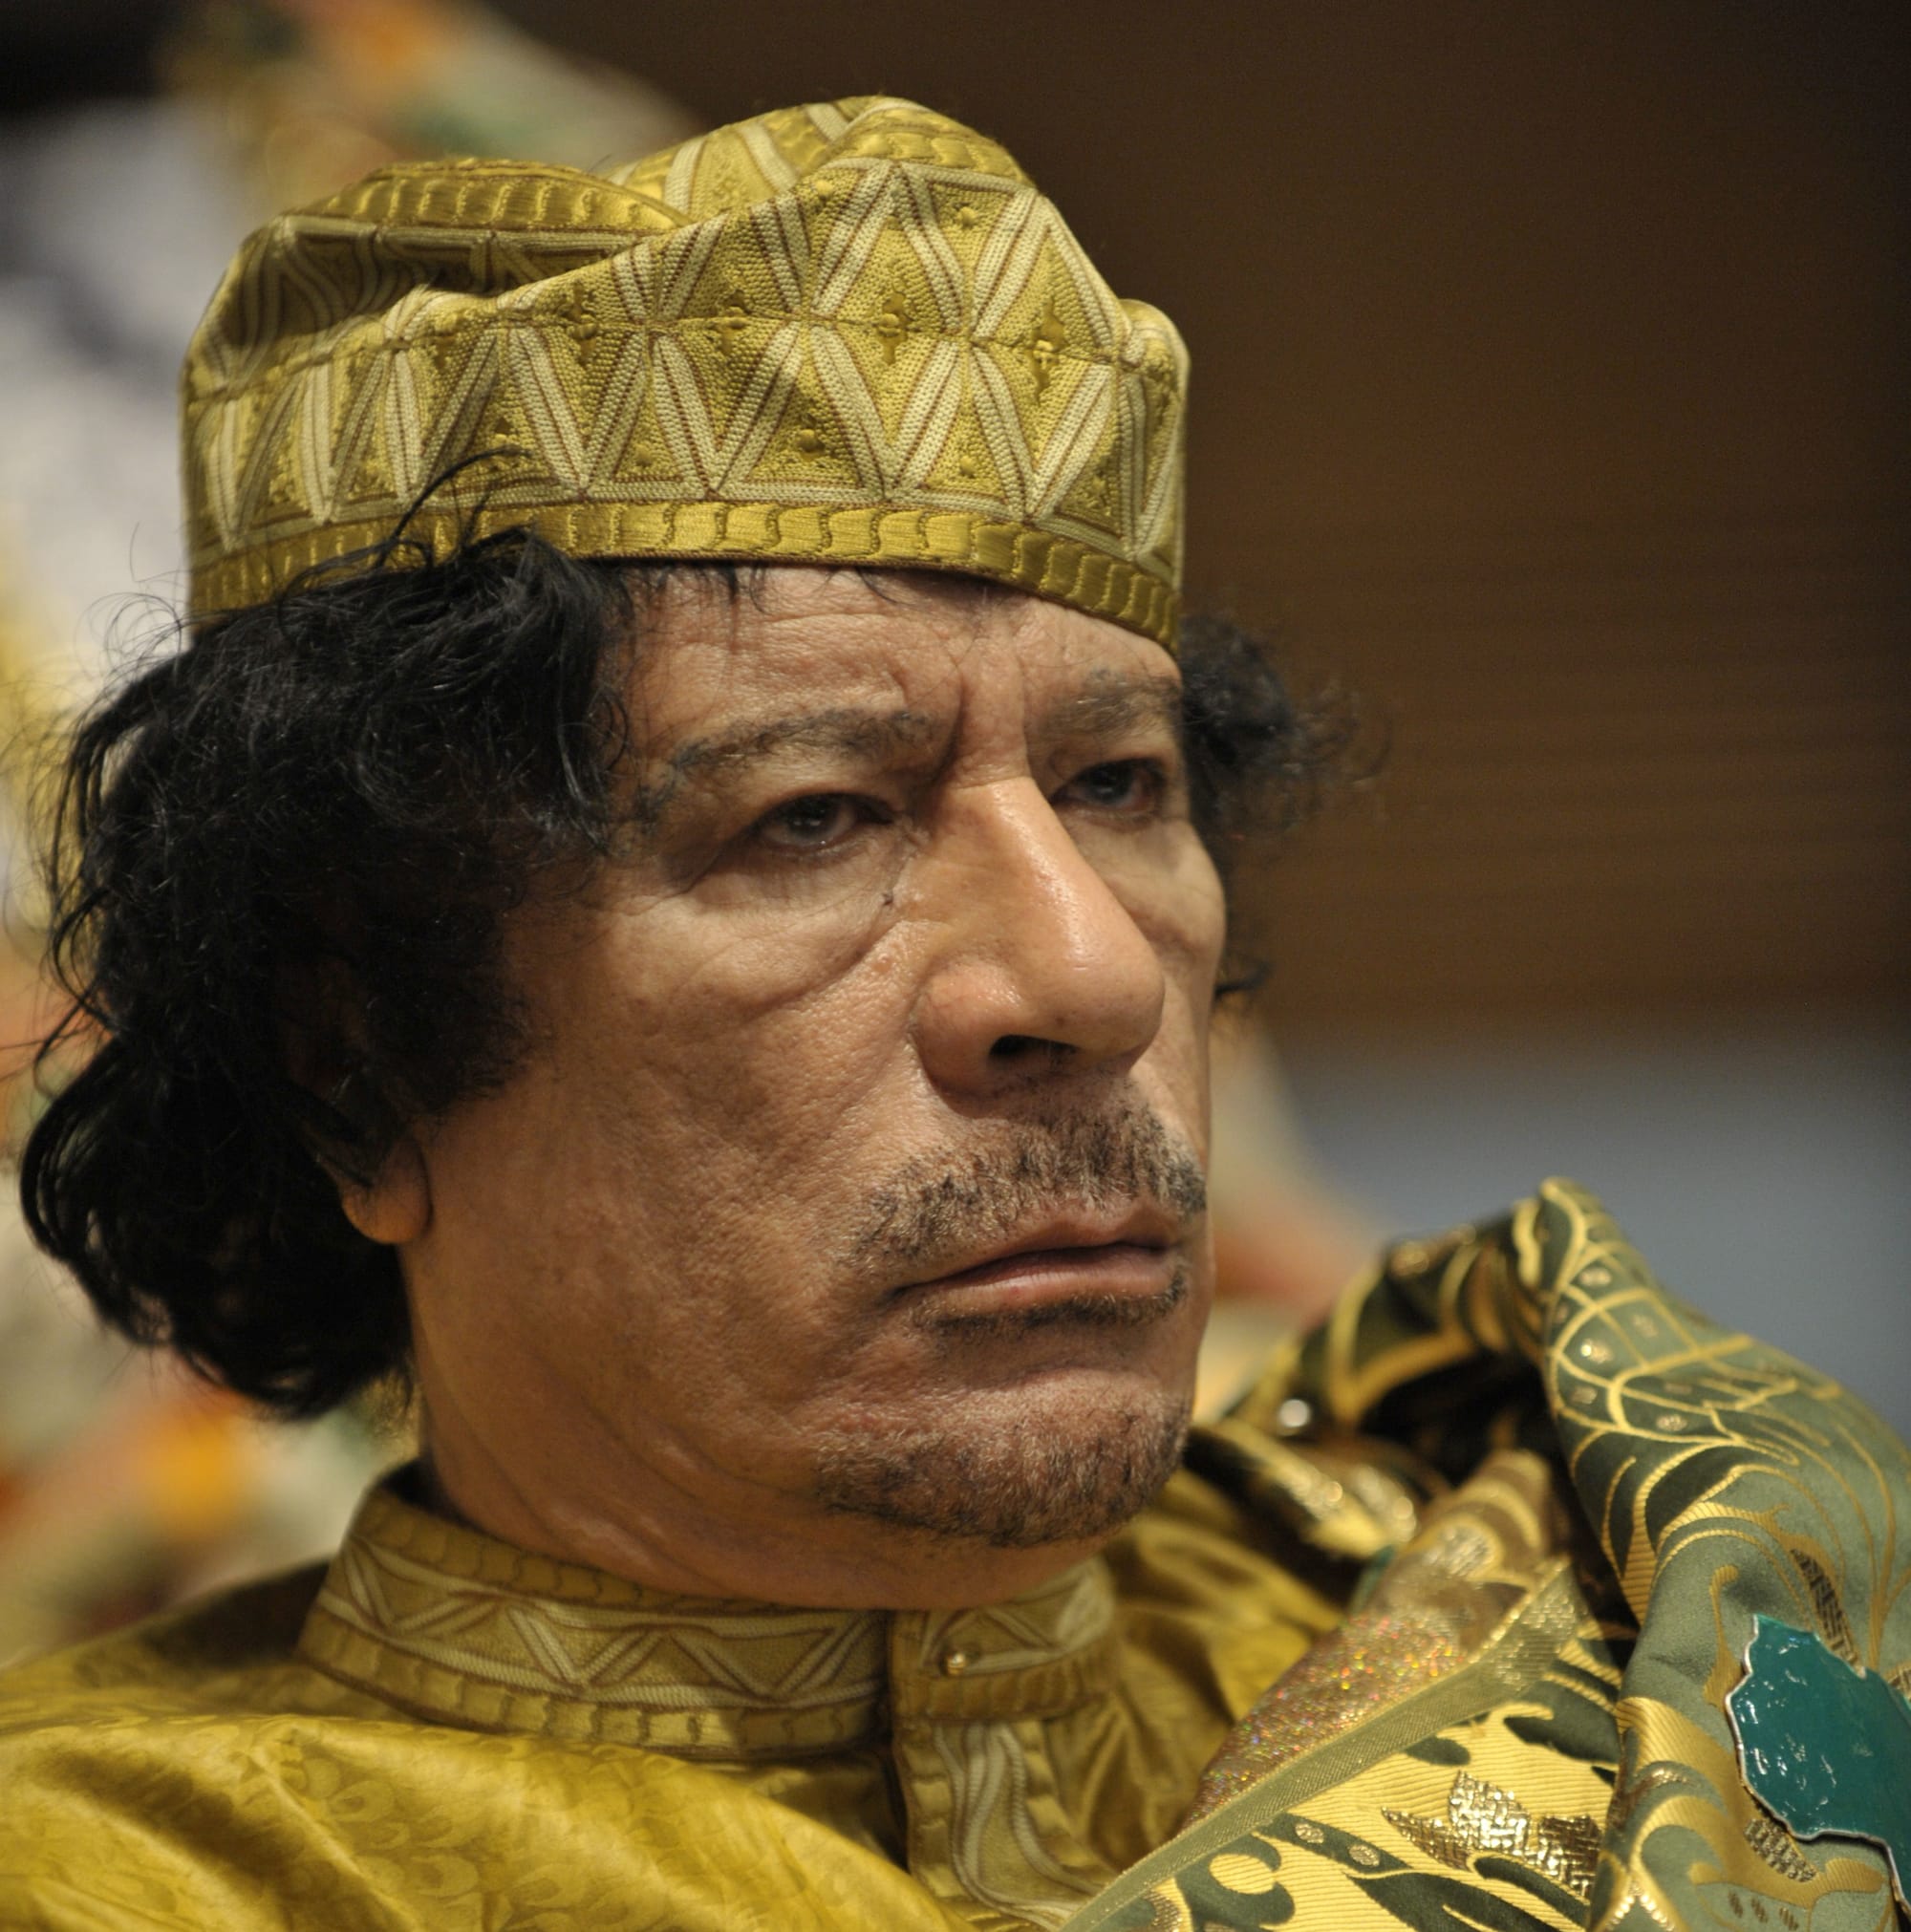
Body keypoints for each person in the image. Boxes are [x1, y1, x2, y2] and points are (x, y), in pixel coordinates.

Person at [1, 97, 1906, 1932]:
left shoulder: (1597, 1612)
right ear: (353, 1058)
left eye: (1119, 785)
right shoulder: (116, 1878)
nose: (1091, 976)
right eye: (815, 817)